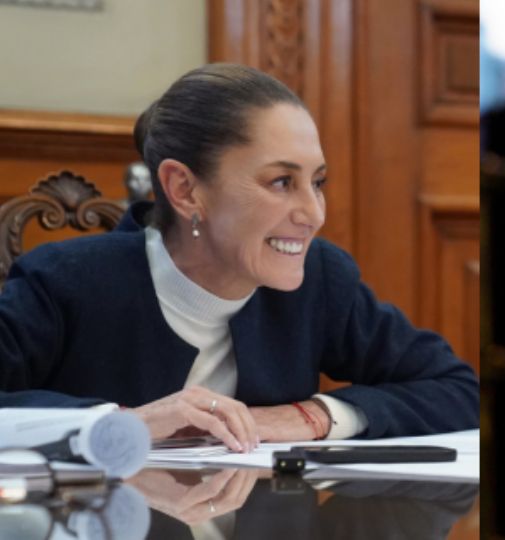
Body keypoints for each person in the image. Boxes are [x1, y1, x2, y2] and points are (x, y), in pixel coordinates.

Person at [0, 64, 478, 452]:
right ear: (185, 189)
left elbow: (458, 389)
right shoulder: (67, 280)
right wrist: (122, 424)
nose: (313, 214)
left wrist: (310, 417)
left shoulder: (321, 279)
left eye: (318, 182)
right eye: (280, 182)